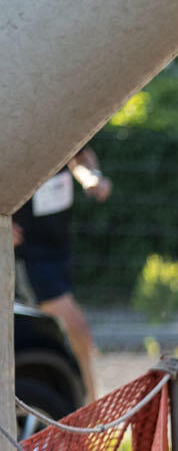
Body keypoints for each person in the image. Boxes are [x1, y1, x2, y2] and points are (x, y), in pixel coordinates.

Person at [12, 146, 111, 400]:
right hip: (28, 253)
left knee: (69, 336)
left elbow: (80, 155)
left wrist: (92, 177)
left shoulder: (57, 124)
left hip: (58, 248)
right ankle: (90, 410)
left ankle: (84, 406)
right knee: (77, 327)